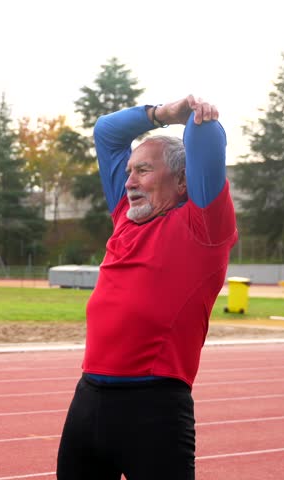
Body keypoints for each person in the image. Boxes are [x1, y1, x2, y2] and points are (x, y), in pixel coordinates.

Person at [55, 95, 237, 479]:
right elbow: (105, 132)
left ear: (183, 181)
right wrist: (164, 114)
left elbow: (206, 140)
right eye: (129, 171)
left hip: (153, 411)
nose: (129, 181)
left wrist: (196, 118)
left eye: (143, 171)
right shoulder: (125, 215)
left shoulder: (203, 228)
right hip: (88, 400)